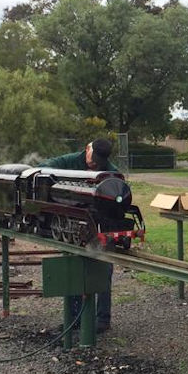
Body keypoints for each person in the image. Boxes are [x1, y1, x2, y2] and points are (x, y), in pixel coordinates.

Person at [40, 139, 117, 332]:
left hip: (98, 225)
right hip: (72, 225)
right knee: (73, 269)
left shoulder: (111, 171)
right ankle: (74, 318)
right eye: (93, 160)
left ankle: (102, 320)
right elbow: (46, 166)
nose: (95, 164)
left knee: (103, 270)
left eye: (99, 161)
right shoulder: (70, 161)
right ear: (87, 149)